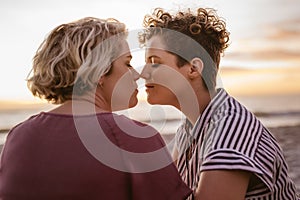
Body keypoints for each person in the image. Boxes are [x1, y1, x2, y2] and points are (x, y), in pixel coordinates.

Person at [0, 17, 192, 199]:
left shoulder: (19, 136)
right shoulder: (134, 139)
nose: (136, 75)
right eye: (127, 63)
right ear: (99, 72)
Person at [139, 8, 299, 200]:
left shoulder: (230, 130)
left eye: (155, 62)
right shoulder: (190, 126)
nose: (143, 73)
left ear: (193, 68)